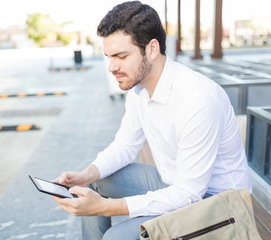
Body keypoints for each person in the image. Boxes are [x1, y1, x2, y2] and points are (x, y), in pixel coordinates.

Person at [52, 1, 252, 239]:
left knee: (116, 237)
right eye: (108, 56)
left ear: (152, 48)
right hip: (175, 184)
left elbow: (188, 194)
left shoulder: (197, 100)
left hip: (221, 206)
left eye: (121, 56)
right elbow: (125, 147)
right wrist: (85, 175)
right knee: (94, 181)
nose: (111, 67)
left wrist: (105, 207)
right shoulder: (139, 88)